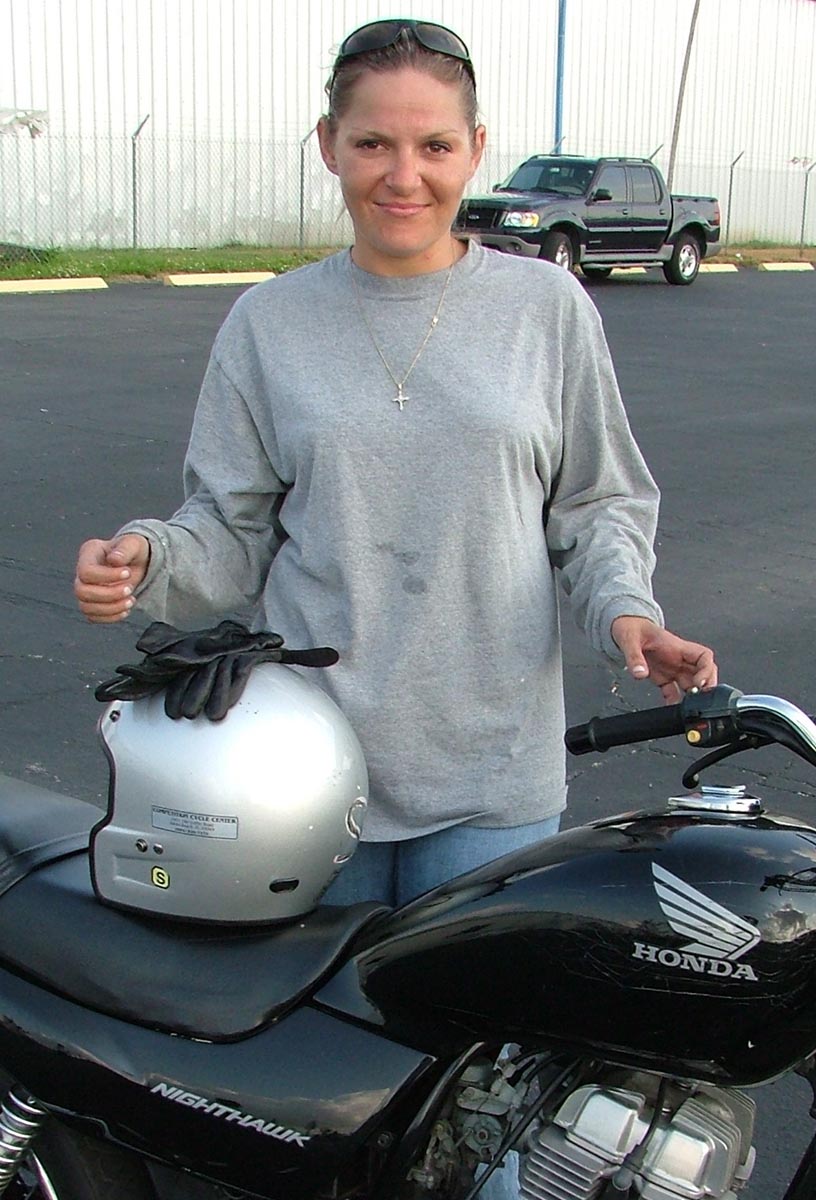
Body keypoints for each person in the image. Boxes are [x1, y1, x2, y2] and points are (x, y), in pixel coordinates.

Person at [73, 18, 717, 912]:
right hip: (299, 771)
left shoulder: (546, 308)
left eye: (435, 146)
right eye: (373, 142)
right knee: (321, 1009)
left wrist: (627, 611)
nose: (404, 175)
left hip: (494, 774)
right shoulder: (269, 322)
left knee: (471, 1008)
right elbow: (231, 528)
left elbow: (597, 502)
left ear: (476, 150)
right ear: (329, 145)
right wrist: (149, 558)